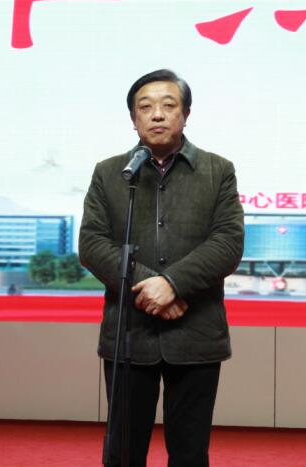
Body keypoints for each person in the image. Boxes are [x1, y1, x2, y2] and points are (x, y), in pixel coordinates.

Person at [79, 69, 244, 467]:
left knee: (190, 454)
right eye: (145, 106)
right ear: (133, 118)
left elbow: (228, 242)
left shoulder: (217, 170)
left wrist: (173, 284)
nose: (157, 114)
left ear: (185, 115)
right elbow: (92, 244)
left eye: (168, 105)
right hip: (129, 335)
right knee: (123, 452)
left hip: (196, 334)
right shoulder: (110, 172)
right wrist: (150, 286)